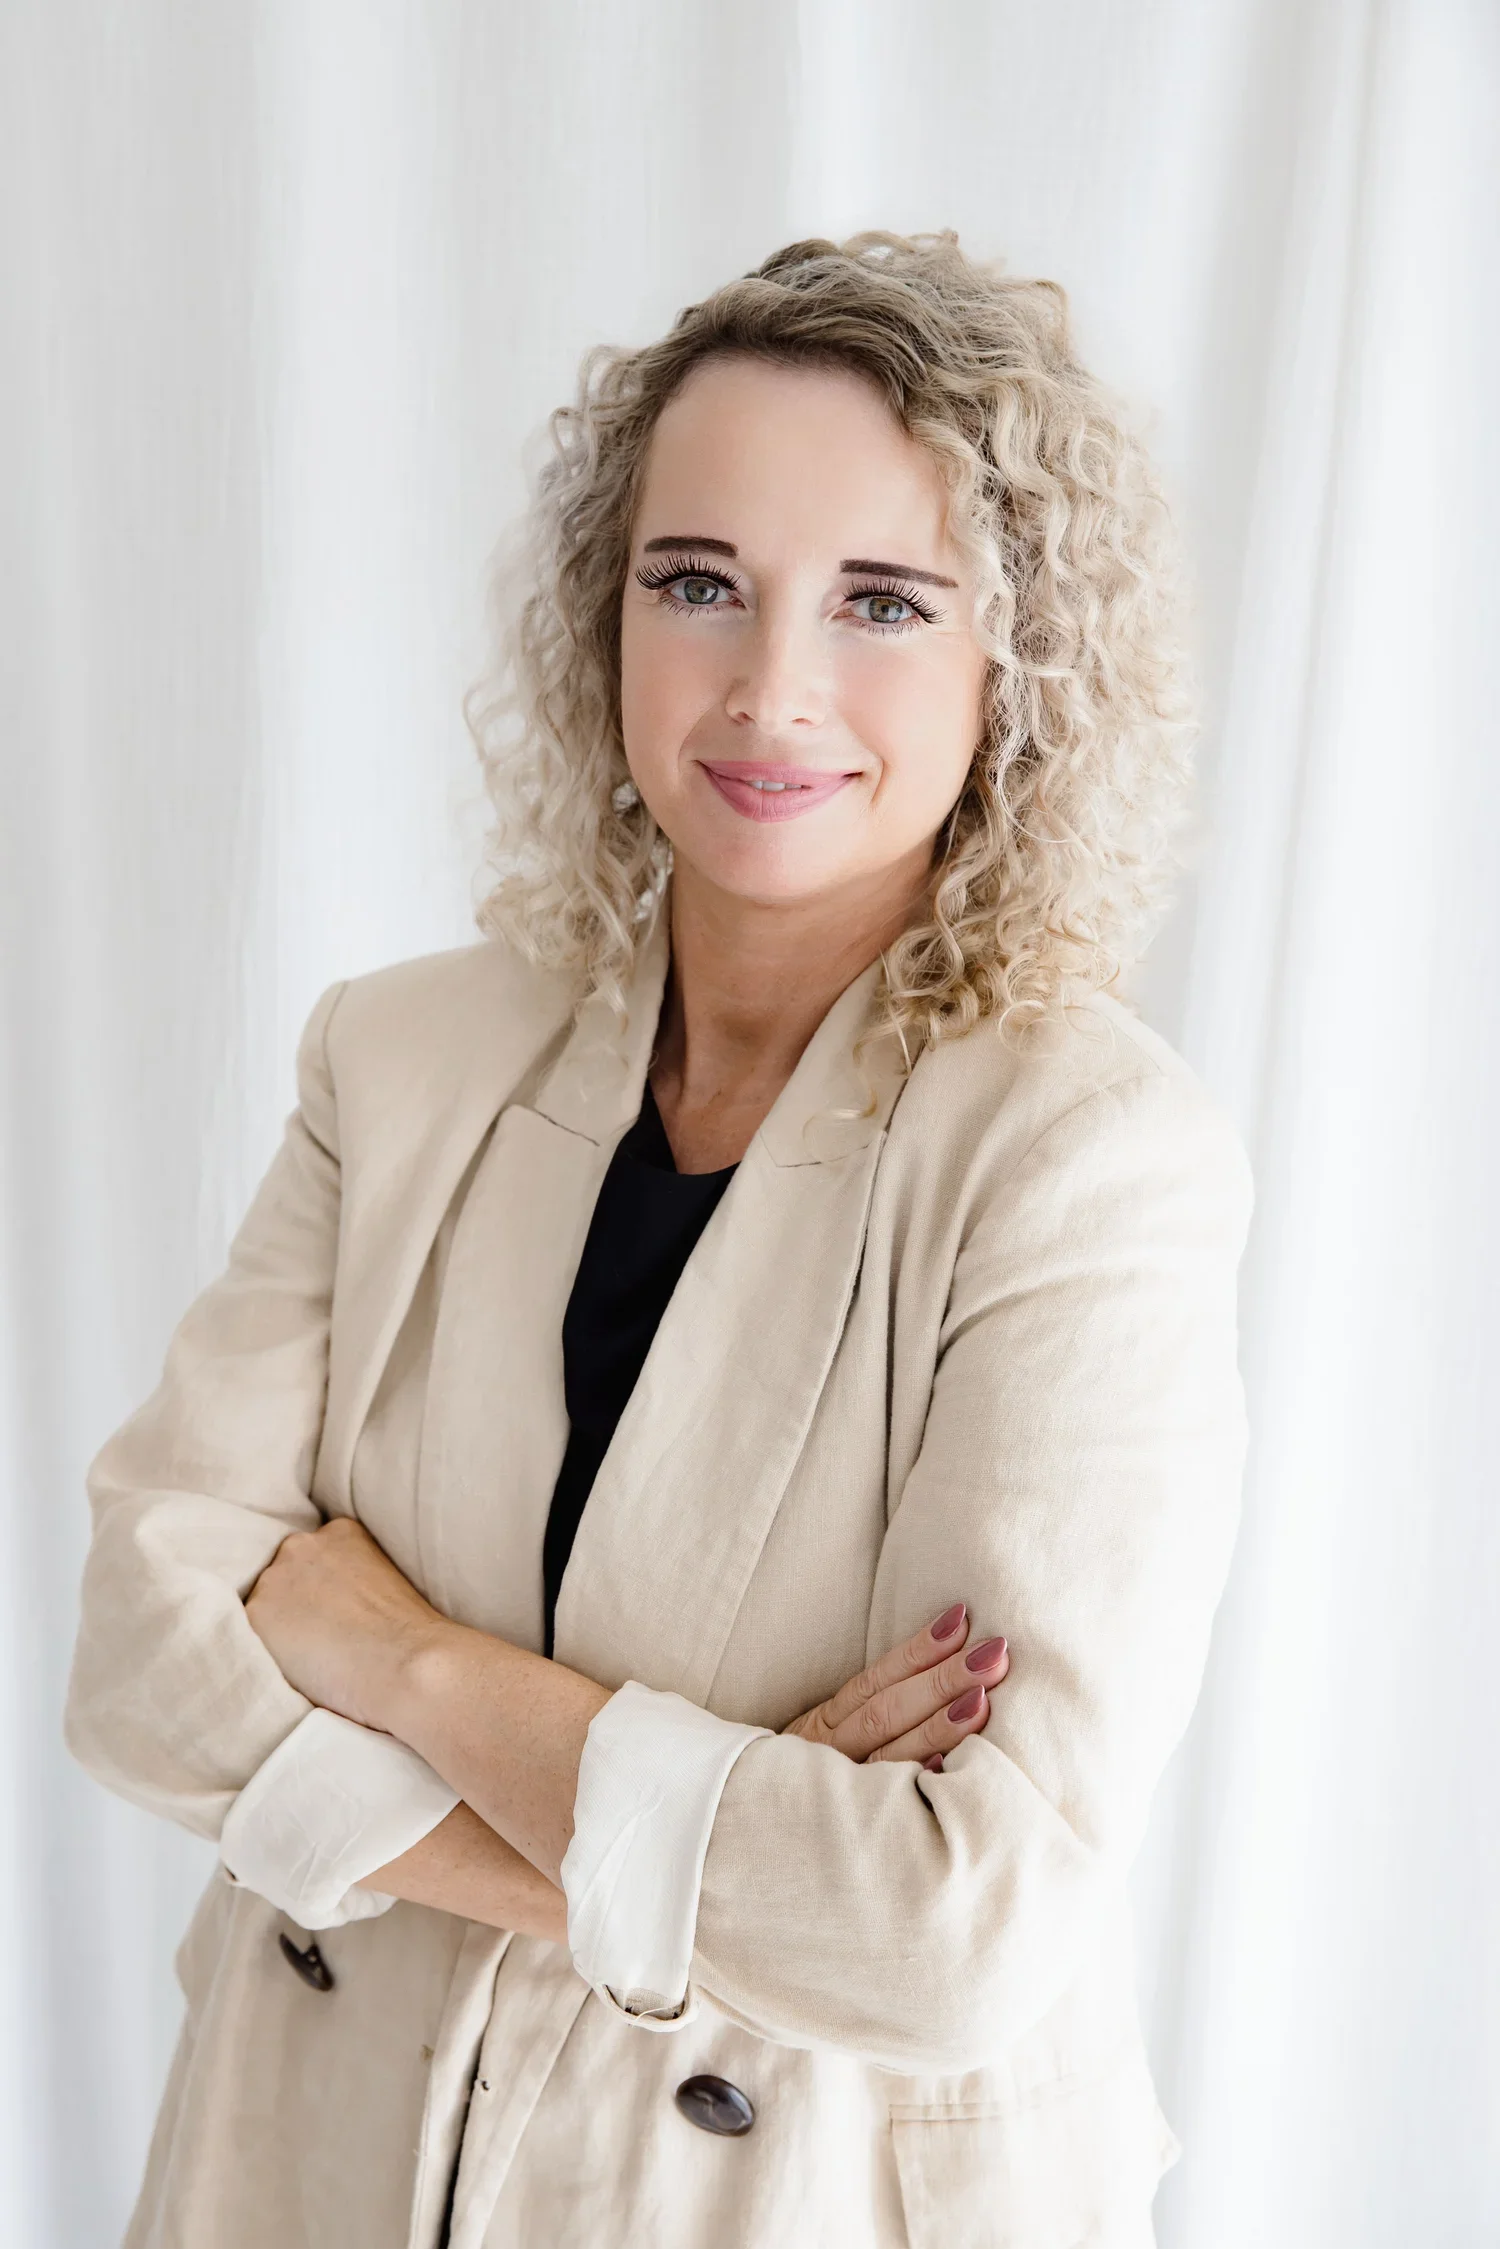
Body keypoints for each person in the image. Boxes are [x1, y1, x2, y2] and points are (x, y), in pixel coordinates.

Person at [65, 231, 1253, 2248]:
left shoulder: (1089, 1152)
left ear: (1017, 659)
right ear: (599, 616)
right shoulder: (406, 1050)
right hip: (316, 2158)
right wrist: (668, 1848)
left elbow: (952, 1920)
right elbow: (140, 1661)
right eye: (695, 581)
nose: (771, 687)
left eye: (882, 601)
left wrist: (409, 1661)